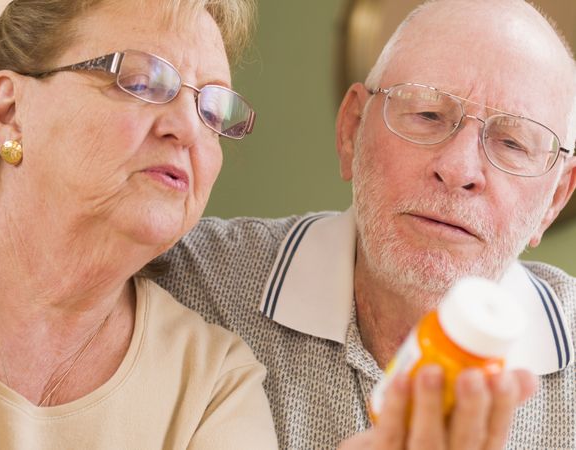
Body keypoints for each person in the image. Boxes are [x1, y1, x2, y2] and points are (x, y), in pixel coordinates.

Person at [156, 0, 576, 448]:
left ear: (554, 198)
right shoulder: (185, 280)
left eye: (512, 142)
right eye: (428, 114)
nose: (458, 169)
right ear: (351, 130)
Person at [0, 0, 278, 448]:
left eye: (212, 111)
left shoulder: (214, 388)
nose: (188, 129)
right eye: (141, 82)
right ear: (9, 112)